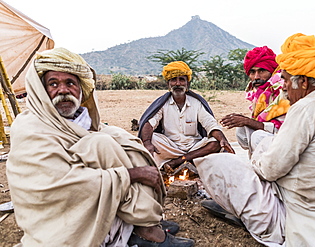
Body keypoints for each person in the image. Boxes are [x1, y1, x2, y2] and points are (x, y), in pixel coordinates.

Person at [6, 48, 194, 247]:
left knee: (119, 138)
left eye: (70, 83)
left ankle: (144, 221)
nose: (63, 90)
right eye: (53, 84)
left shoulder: (81, 120)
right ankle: (144, 228)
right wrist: (132, 174)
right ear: (41, 91)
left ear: (81, 89)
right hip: (61, 218)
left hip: (187, 145)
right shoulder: (30, 130)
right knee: (101, 143)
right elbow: (60, 186)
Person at [194, 33, 315, 246]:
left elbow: (270, 170)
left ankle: (270, 230)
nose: (284, 86)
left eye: (286, 80)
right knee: (260, 137)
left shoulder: (305, 108)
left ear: (303, 82)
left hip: (298, 218)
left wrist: (254, 161)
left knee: (217, 163)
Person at [138, 61, 234, 173]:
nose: (178, 84)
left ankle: (176, 162)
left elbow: (210, 123)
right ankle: (187, 161)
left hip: (194, 148)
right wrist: (147, 143)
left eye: (181, 80)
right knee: (151, 139)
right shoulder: (163, 104)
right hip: (171, 148)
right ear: (168, 84)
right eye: (173, 80)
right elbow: (149, 123)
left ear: (187, 83)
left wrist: (222, 139)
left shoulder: (196, 103)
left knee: (216, 142)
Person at [220, 46, 290, 156]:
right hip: (269, 138)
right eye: (252, 72)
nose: (256, 77)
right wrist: (243, 121)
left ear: (271, 72)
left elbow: (284, 130)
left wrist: (248, 121)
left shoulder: (283, 90)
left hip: (286, 143)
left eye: (261, 71)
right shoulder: (260, 93)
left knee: (258, 136)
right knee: (242, 129)